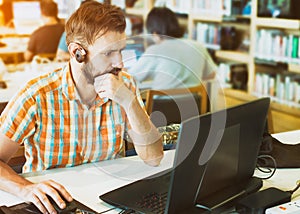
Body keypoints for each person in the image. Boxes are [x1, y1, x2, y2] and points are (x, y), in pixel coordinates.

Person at [0, 2, 163, 214]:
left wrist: (129, 101)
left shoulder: (125, 85)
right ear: (78, 52)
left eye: (121, 51)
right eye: (109, 53)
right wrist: (25, 189)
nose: (120, 63)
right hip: (54, 206)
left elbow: (154, 158)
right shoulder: (36, 95)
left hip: (108, 202)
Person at [128, 7, 217, 90]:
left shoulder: (156, 50)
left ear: (155, 33)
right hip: (193, 105)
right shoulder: (198, 46)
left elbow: (129, 77)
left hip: (161, 105)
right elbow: (211, 75)